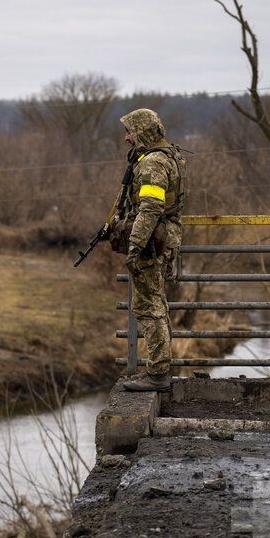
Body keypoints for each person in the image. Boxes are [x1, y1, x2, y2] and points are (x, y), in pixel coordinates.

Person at [112, 109, 187, 392]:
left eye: (131, 131)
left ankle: (157, 374)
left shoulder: (154, 163)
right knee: (155, 302)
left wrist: (136, 243)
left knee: (148, 306)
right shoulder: (167, 156)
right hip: (162, 239)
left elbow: (151, 207)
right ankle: (159, 369)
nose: (127, 136)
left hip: (152, 243)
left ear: (143, 132)